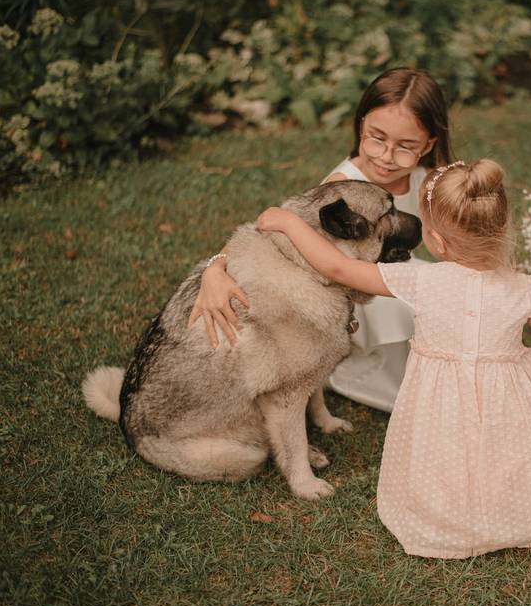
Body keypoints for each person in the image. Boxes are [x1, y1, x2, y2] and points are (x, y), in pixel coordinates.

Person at [255, 159, 531, 559]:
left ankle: (451, 512)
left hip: (441, 406)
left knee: (449, 456)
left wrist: (288, 221)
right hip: (505, 403)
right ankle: (514, 508)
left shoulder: (422, 280)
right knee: (508, 452)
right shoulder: (527, 289)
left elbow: (338, 266)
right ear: (503, 229)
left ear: (436, 241)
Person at [187, 68, 454, 412]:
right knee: (410, 309)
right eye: (376, 138)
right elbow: (272, 226)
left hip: (396, 274)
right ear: (360, 126)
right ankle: (378, 373)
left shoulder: (427, 178)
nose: (387, 156)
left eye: (405, 146)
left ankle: (426, 366)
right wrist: (215, 268)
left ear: (429, 143)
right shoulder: (342, 186)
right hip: (356, 296)